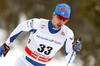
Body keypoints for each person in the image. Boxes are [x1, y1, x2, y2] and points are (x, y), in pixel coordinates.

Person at [0, 3, 82, 66]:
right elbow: (21, 27)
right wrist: (7, 44)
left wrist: (74, 49)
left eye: (65, 19)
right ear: (54, 15)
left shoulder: (68, 33)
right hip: (24, 63)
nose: (61, 22)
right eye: (60, 17)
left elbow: (69, 59)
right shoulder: (38, 24)